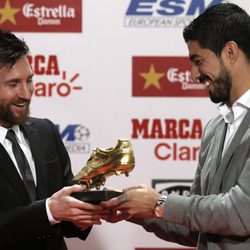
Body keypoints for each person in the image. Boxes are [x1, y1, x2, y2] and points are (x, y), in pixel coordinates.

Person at [102, 3, 250, 250]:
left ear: (230, 52)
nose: (193, 75)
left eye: (198, 60)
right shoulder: (215, 128)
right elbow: (197, 226)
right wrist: (137, 210)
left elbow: (240, 213)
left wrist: (158, 203)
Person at [0, 29, 109, 250]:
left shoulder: (45, 131)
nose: (27, 93)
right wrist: (49, 210)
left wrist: (80, 216)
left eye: (29, 80)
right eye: (13, 84)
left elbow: (62, 220)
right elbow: (49, 211)